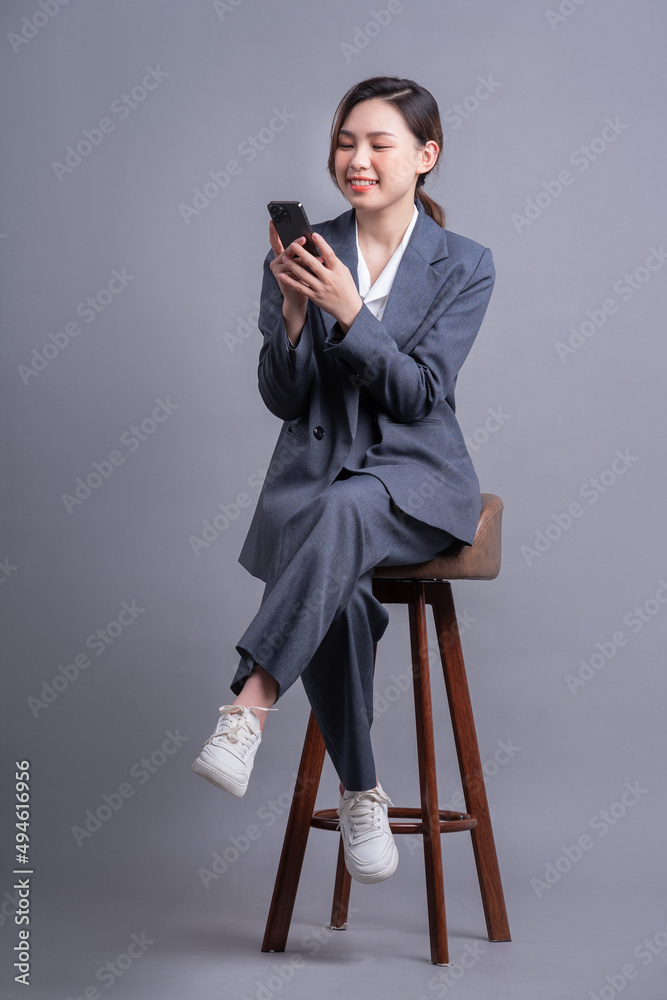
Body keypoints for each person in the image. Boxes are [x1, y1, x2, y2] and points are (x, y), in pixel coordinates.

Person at [192, 75, 495, 886]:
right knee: (340, 591)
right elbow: (284, 400)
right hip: (317, 486)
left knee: (351, 503)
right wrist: (295, 317)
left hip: (413, 486)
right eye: (344, 142)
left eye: (377, 143)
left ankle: (248, 706)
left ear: (424, 156)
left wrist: (351, 315)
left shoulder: (464, 265)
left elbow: (419, 396)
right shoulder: (302, 249)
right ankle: (362, 790)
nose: (355, 159)